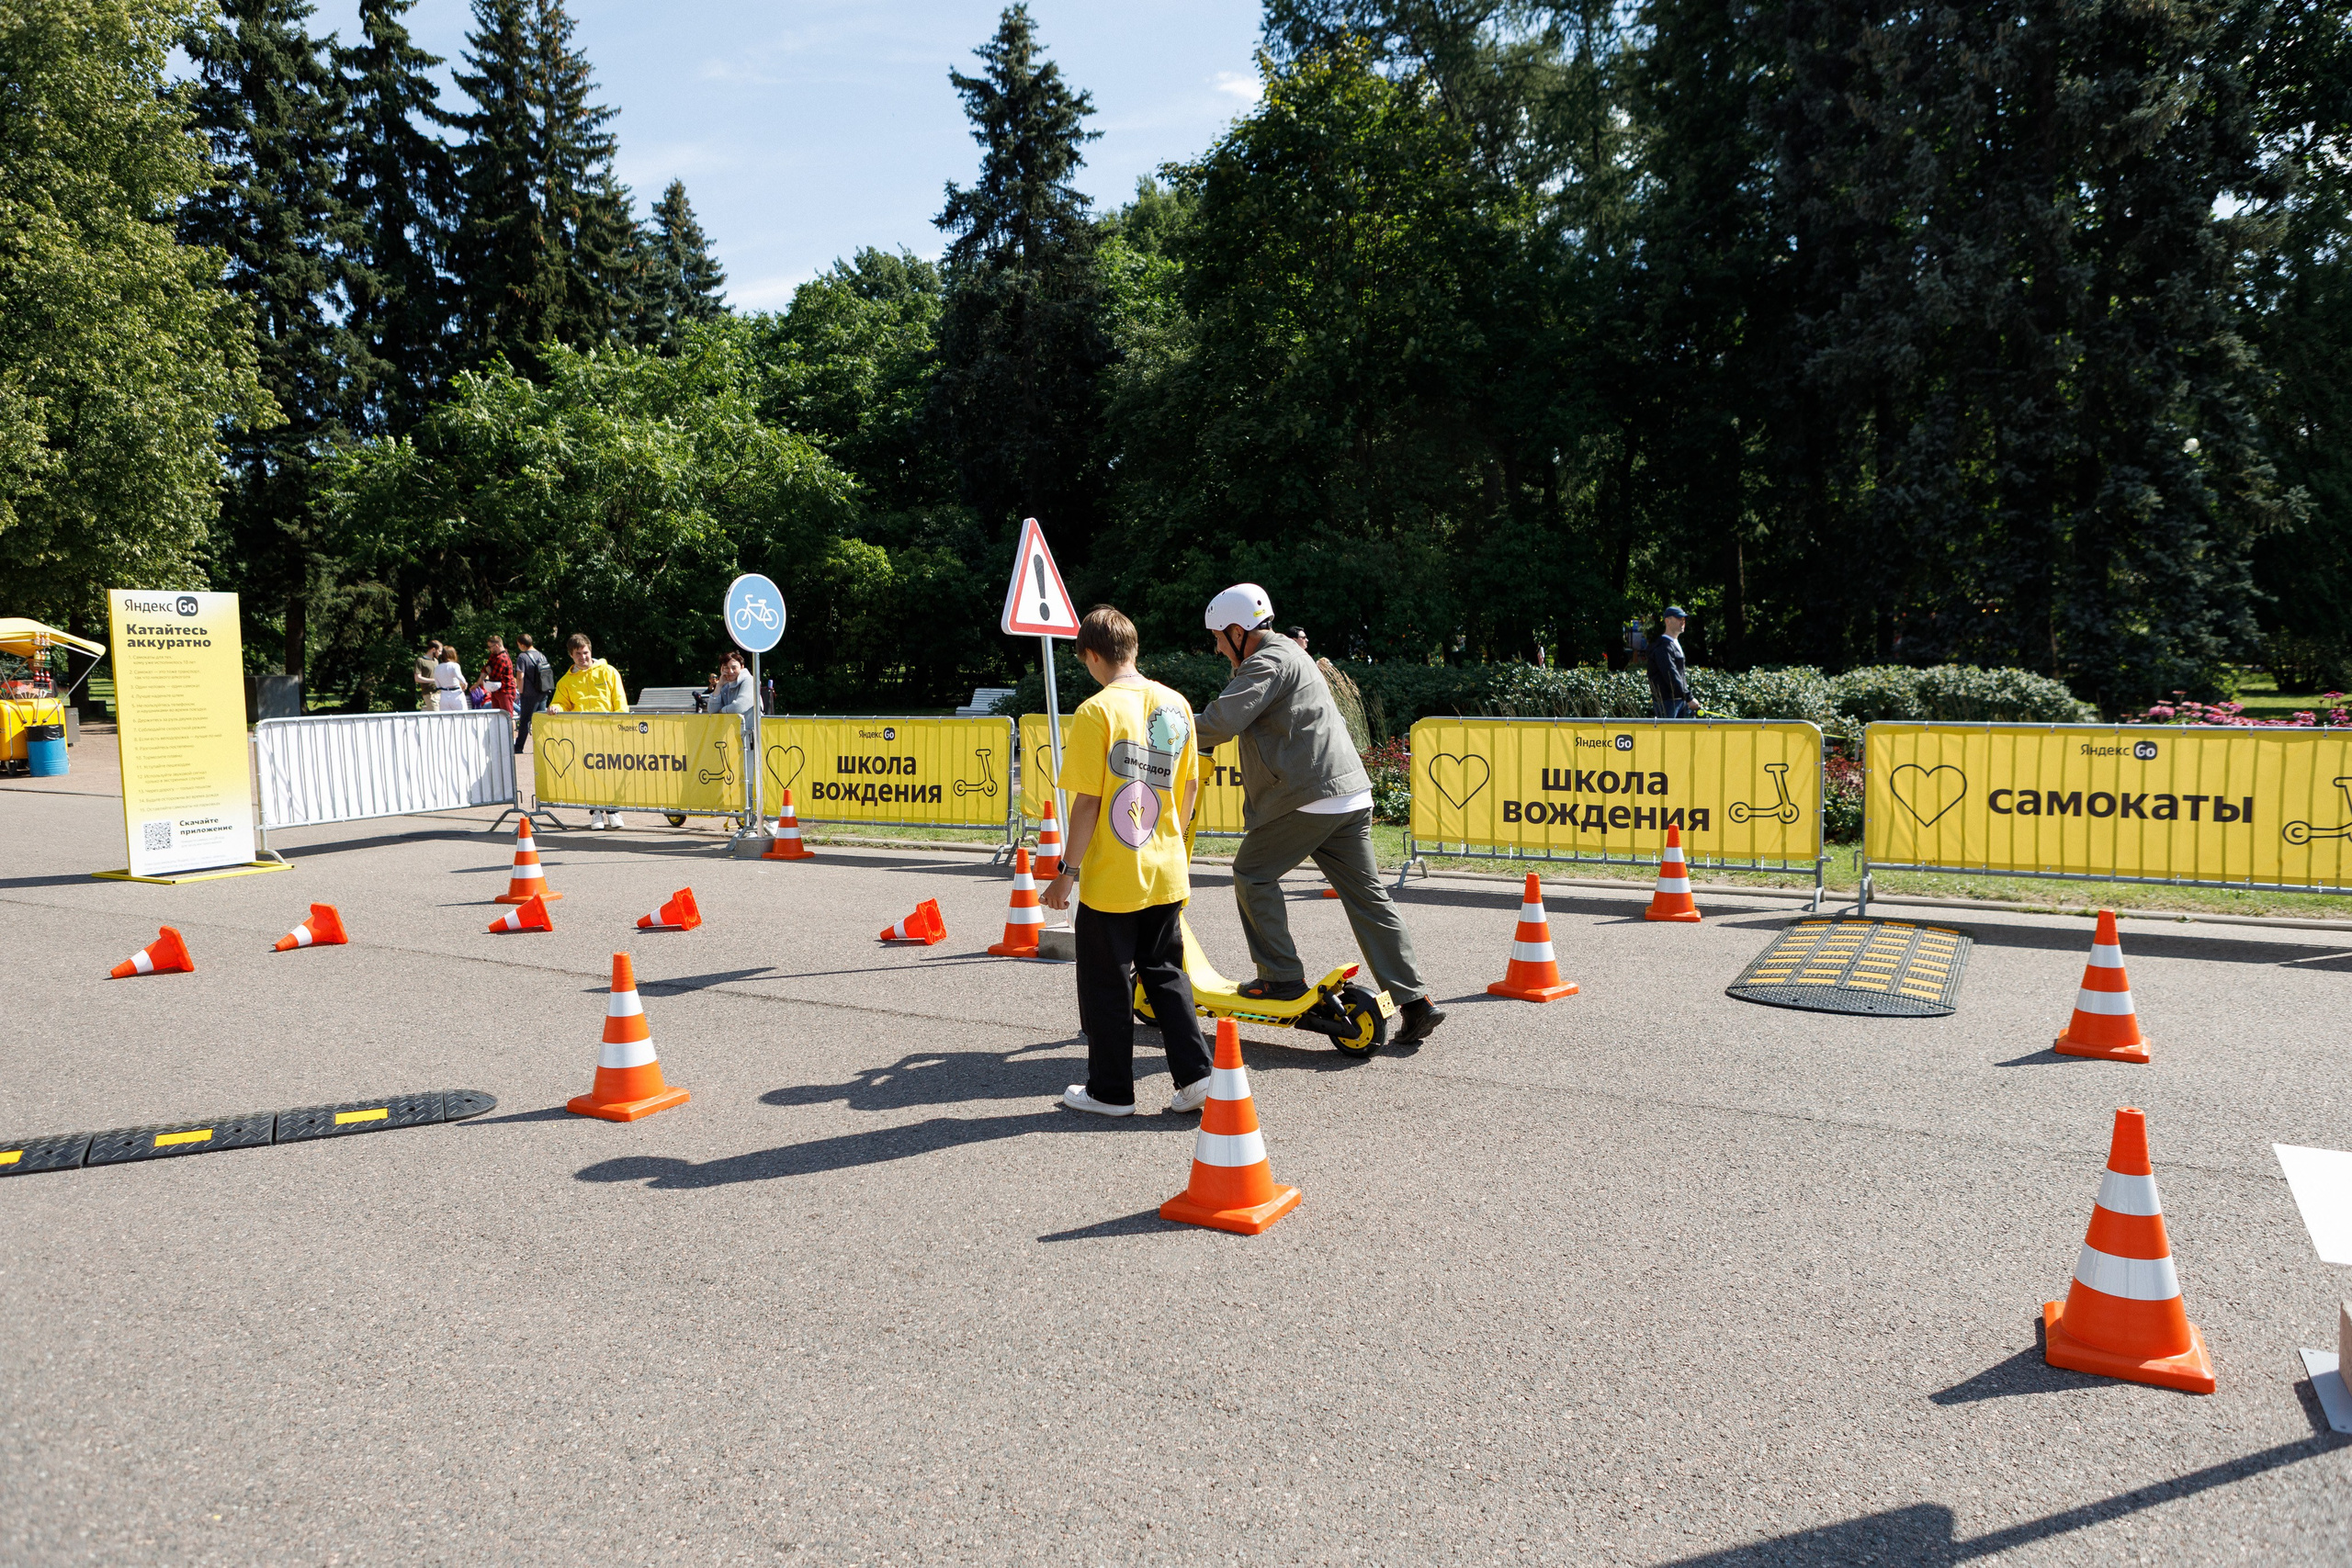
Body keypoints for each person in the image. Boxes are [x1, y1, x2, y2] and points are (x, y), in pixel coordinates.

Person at [1196, 583, 1446, 1047]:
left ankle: (1279, 978)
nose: (1217, 648)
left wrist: (1166, 732)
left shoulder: (1267, 661)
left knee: (1252, 872)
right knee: (1368, 898)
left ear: (1237, 631)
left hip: (1310, 798)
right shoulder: (1293, 654)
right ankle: (1415, 1002)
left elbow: (1221, 721)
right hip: (1348, 794)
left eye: (1218, 638)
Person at [1038, 605, 1213, 1116]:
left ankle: (1111, 1092)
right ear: (1133, 648)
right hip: (1165, 866)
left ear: (1092, 655)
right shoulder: (1176, 703)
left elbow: (1088, 803)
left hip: (1114, 876)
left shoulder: (1097, 711)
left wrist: (1066, 875)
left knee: (1107, 984)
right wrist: (1170, 840)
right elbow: (1190, 785)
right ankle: (1197, 1079)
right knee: (1166, 973)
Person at [547, 632, 630, 828]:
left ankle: (613, 811)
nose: (583, 657)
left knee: (611, 772)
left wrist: (621, 725)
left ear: (590, 651)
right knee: (589, 774)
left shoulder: (609, 672)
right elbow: (561, 703)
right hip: (583, 734)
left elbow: (619, 700)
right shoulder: (565, 681)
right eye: (578, 654)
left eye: (585, 652)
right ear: (571, 655)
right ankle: (596, 813)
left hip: (609, 733)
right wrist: (556, 707)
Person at [1647, 605, 1696, 718]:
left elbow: (1679, 675)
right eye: (1679, 618)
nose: (1682, 622)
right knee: (1667, 731)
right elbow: (1671, 674)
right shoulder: (1663, 647)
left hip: (1681, 700)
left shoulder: (1674, 643)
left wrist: (1686, 696)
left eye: (1684, 619)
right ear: (1667, 621)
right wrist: (1689, 697)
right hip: (1667, 702)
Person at [512, 633, 554, 754]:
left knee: (525, 720)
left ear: (522, 645)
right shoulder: (542, 655)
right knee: (540, 720)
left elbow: (520, 677)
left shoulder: (522, 657)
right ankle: (542, 746)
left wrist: (521, 692)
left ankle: (519, 747)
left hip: (529, 694)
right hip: (543, 692)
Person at [482, 635, 516, 724]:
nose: (489, 649)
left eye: (490, 647)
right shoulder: (494, 656)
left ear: (497, 645)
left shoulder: (502, 658)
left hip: (505, 691)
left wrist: (489, 671)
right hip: (497, 691)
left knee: (508, 717)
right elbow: (485, 667)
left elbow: (495, 677)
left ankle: (511, 733)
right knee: (497, 718)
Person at [432, 644, 468, 711]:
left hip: (444, 695)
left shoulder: (437, 668)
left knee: (446, 716)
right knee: (462, 715)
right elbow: (459, 676)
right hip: (456, 693)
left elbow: (437, 685)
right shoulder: (455, 665)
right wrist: (464, 683)